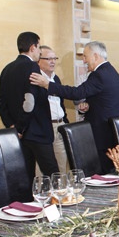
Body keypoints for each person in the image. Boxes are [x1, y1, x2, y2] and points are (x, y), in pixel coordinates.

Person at [30, 41, 119, 174]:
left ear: (95, 56)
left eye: (85, 56)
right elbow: (104, 99)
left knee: (103, 172)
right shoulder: (110, 71)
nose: (84, 61)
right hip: (108, 128)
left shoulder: (99, 74)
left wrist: (47, 85)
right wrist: (89, 105)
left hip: (101, 131)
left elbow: (77, 93)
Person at [0, 31, 59, 179]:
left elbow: (0, 102)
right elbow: (29, 101)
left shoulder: (6, 69)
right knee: (53, 175)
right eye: (39, 47)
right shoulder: (32, 67)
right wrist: (20, 127)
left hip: (17, 134)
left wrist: (11, 125)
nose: (39, 52)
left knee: (27, 176)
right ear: (33, 47)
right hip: (36, 131)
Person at [37, 45, 69, 174]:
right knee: (44, 168)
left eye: (55, 58)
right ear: (38, 61)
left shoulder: (56, 78)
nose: (53, 62)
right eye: (49, 59)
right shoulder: (36, 79)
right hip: (44, 127)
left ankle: (62, 187)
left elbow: (61, 103)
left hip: (59, 125)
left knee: (62, 165)